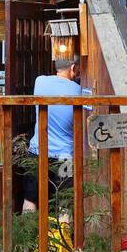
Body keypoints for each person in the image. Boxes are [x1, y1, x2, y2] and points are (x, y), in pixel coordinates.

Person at [19, 56, 85, 213]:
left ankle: (28, 237)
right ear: (73, 67)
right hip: (65, 155)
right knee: (64, 201)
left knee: (30, 198)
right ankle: (64, 237)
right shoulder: (78, 91)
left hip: (38, 151)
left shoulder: (40, 81)